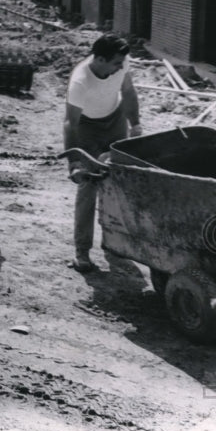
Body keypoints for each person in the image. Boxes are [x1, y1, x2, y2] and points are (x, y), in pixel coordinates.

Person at [63, 33, 142, 273]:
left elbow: (127, 92)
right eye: (116, 62)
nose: (120, 66)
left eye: (121, 62)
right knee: (88, 185)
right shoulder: (80, 81)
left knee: (119, 180)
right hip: (86, 128)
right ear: (99, 59)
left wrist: (135, 124)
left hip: (115, 119)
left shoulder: (121, 64)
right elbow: (70, 124)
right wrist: (75, 163)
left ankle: (115, 244)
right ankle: (82, 252)